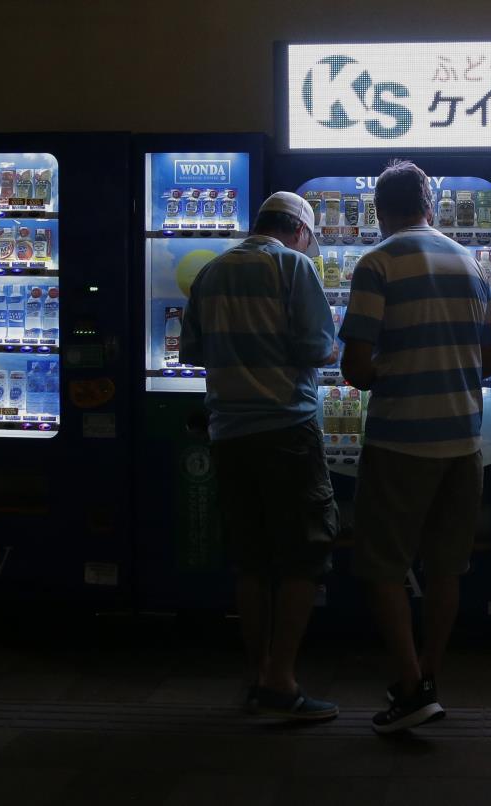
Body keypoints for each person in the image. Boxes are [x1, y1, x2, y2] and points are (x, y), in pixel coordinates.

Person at [339, 161, 491, 733]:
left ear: (381, 210)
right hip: (462, 442)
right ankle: (431, 675)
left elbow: (355, 367)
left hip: (400, 439)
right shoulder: (471, 263)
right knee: (447, 568)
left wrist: (394, 367)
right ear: (429, 204)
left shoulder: (376, 262)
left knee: (383, 565)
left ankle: (409, 687)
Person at [179, 191, 339, 721]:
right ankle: (282, 680)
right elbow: (319, 348)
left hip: (228, 433)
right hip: (287, 429)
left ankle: (255, 674)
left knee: (250, 561)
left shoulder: (211, 272)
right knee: (302, 557)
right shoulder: (293, 268)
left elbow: (192, 353)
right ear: (299, 229)